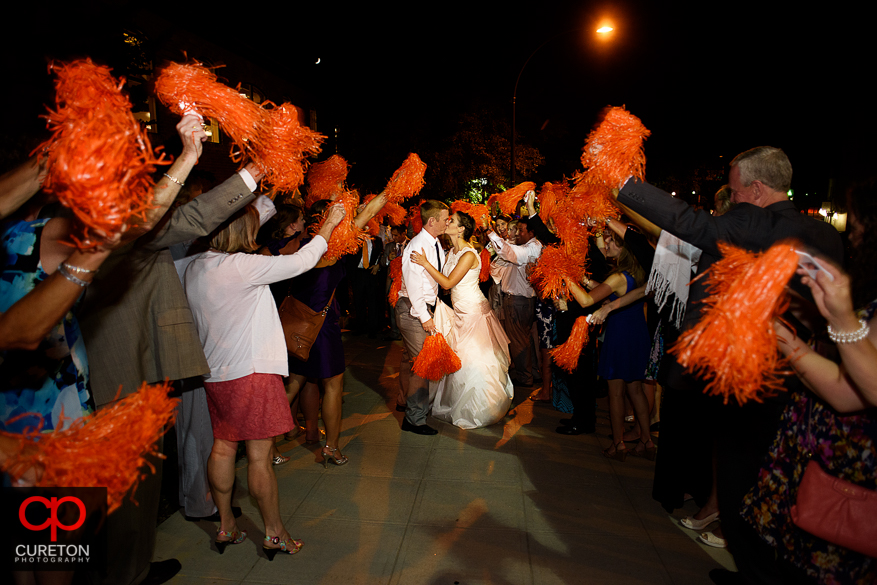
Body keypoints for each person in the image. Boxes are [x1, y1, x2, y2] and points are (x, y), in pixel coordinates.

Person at [613, 146, 844, 584]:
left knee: (740, 489)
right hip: (810, 383)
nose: (732, 201)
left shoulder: (755, 222)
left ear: (757, 190)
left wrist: (623, 185)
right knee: (779, 491)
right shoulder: (824, 234)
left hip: (751, 385)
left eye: (736, 193)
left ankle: (755, 571)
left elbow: (690, 222)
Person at [78, 115, 266, 585]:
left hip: (119, 374)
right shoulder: (90, 226)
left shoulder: (112, 221)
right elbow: (166, 219)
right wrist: (186, 159)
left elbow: (183, 218)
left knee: (135, 485)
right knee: (56, 519)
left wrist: (254, 174)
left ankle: (132, 569)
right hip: (78, 385)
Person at [183, 200, 346, 559]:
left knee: (223, 446)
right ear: (241, 232)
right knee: (258, 457)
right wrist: (331, 223)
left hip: (215, 373)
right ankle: (274, 532)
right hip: (251, 373)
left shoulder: (194, 266)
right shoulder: (241, 266)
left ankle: (226, 525)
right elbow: (302, 261)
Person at [736, 179, 877, 585]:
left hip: (845, 473)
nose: (853, 233)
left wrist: (782, 337)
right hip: (815, 449)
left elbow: (849, 392)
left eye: (860, 224)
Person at [281, 193, 389, 464]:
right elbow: (366, 215)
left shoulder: (297, 245)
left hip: (299, 326)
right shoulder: (331, 248)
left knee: (293, 384)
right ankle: (331, 446)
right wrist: (390, 191)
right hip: (322, 326)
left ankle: (265, 445)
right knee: (332, 385)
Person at [410, 211, 514, 428]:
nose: (447, 223)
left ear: (461, 229)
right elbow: (447, 287)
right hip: (459, 312)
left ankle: (482, 409)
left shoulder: (468, 254)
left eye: (452, 221)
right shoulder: (452, 253)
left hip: (473, 312)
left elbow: (447, 284)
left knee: (475, 362)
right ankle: (458, 403)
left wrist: (425, 263)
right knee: (460, 361)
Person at [564, 231, 654, 460]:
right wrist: (584, 280)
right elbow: (610, 292)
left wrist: (565, 276)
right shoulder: (640, 272)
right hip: (638, 333)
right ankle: (646, 440)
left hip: (619, 336)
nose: (607, 243)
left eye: (612, 240)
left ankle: (618, 444)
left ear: (624, 249)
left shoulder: (618, 277)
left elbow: (586, 300)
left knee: (615, 393)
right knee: (635, 389)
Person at [396, 200, 449, 435]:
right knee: (421, 366)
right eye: (445, 219)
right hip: (414, 309)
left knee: (412, 361)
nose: (448, 222)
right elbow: (414, 285)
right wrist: (424, 316)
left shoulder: (434, 242)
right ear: (432, 221)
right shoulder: (418, 245)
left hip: (420, 308)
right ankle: (414, 419)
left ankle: (406, 404)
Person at [485, 216, 543, 387]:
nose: (516, 233)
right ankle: (530, 373)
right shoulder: (521, 247)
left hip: (519, 300)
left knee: (518, 340)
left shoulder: (532, 248)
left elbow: (509, 253)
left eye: (520, 230)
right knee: (522, 339)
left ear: (531, 232)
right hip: (518, 300)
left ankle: (525, 377)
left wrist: (490, 232)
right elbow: (495, 270)